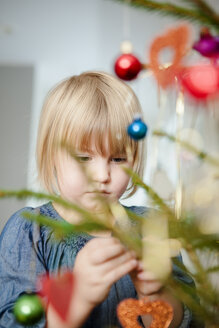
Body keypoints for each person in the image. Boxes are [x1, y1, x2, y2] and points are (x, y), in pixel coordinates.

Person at [0, 71, 194, 328]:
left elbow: (188, 321)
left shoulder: (152, 227)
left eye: (118, 159)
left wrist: (154, 292)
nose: (102, 176)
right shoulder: (30, 229)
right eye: (83, 158)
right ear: (51, 156)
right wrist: (78, 297)